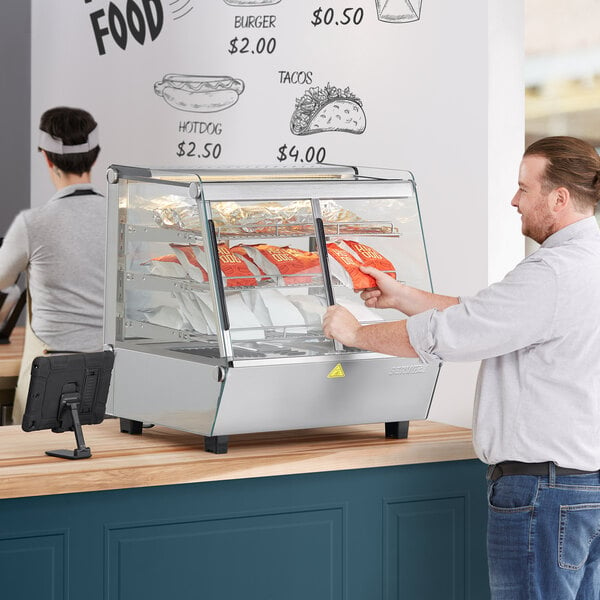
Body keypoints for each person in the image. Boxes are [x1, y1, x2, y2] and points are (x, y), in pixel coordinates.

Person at [322, 136, 600, 600]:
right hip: (585, 488)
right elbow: (491, 317)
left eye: (523, 189)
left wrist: (356, 334)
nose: (514, 201)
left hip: (543, 493)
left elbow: (453, 334)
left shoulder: (552, 272)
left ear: (559, 198)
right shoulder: (587, 263)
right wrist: (403, 297)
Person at [0, 106, 105, 424]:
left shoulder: (33, 224)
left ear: (46, 157)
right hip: (112, 375)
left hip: (49, 378)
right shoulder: (122, 215)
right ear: (95, 155)